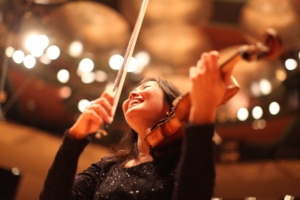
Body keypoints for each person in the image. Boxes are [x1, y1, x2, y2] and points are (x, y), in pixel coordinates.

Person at [40, 50, 232, 200]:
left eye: (146, 88)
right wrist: (74, 138)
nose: (132, 94)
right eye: (132, 91)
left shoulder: (181, 163)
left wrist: (203, 111)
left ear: (170, 107)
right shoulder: (106, 168)